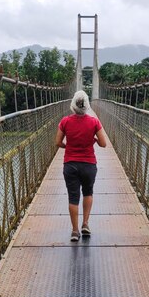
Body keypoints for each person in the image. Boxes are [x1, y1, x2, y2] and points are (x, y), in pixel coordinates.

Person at [55, 90, 107, 241]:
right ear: (87, 105)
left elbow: (57, 142)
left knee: (73, 197)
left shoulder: (65, 121)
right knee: (88, 193)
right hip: (89, 165)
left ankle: (75, 231)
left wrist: (68, 147)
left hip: (70, 165)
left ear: (73, 104)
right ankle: (85, 224)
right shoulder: (94, 122)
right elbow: (104, 144)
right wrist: (95, 140)